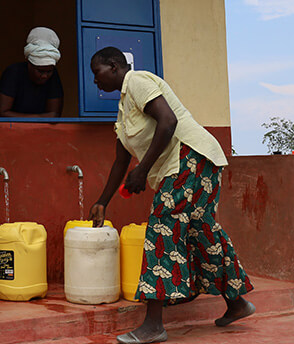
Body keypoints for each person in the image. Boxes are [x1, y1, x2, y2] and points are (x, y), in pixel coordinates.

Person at [88, 47, 254, 344]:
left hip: (191, 156)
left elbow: (168, 121)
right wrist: (103, 201)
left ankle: (153, 325)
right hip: (194, 162)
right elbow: (120, 161)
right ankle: (236, 303)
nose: (94, 80)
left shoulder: (137, 81)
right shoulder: (124, 111)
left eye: (96, 72)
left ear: (114, 66)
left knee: (162, 228)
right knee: (200, 231)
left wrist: (143, 170)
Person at [0, 27, 64, 118]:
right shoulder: (14, 72)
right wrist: (39, 118)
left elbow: (54, 115)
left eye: (49, 71)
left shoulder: (53, 76)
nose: (45, 76)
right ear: (29, 64)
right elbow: (0, 113)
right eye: (40, 71)